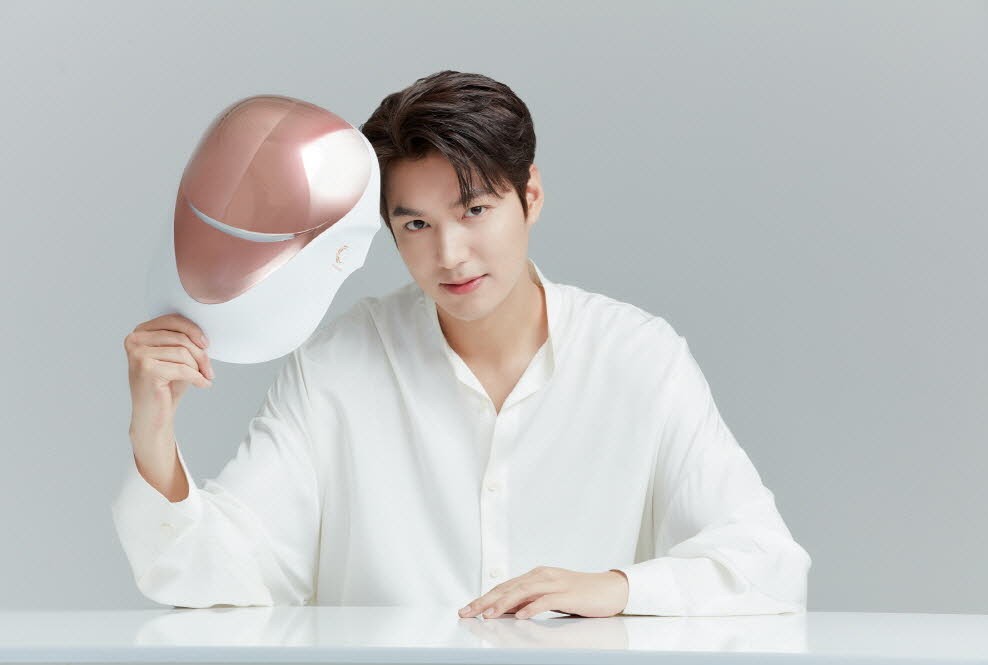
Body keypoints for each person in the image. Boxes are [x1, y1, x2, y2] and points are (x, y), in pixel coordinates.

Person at [113, 70, 811, 618]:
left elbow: (768, 565)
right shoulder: (337, 367)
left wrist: (616, 586)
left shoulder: (639, 358)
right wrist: (154, 434)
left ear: (530, 195)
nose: (449, 254)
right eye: (415, 225)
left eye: (474, 210)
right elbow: (222, 573)